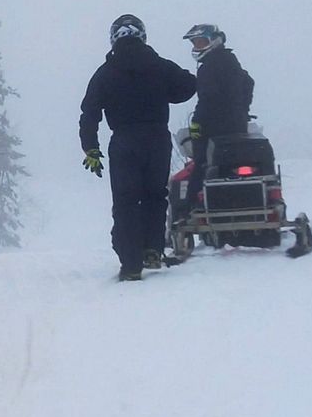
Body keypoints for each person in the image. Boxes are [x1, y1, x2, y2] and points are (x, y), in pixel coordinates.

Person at [79, 14, 196, 281]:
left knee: (126, 201)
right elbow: (188, 86)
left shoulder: (104, 73)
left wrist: (91, 148)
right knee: (155, 196)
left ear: (113, 39)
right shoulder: (158, 65)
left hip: (124, 142)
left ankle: (131, 263)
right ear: (142, 36)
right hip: (157, 139)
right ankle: (153, 249)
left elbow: (89, 113)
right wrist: (165, 92)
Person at [182, 24, 254, 209]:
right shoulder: (230, 60)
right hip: (237, 126)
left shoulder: (209, 67)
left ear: (214, 40)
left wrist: (196, 123)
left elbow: (207, 99)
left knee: (201, 163)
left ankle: (190, 208)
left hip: (214, 128)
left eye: (201, 42)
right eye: (195, 43)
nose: (197, 47)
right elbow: (248, 82)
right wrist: (242, 109)